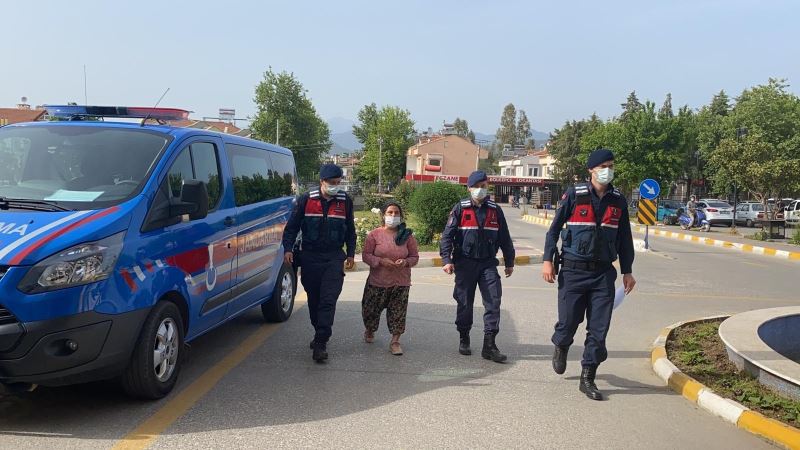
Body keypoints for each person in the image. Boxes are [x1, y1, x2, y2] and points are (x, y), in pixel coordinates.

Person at [542, 148, 636, 400]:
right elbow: (553, 232)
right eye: (604, 165)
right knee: (569, 322)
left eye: (612, 165)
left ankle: (588, 376)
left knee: (599, 329)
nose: (609, 170)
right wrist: (547, 261)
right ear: (591, 170)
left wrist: (627, 270)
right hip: (573, 271)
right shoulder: (574, 195)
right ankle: (561, 344)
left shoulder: (617, 200)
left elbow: (625, 239)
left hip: (603, 274)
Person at [282, 163, 356, 363]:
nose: (336, 186)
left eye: (338, 183)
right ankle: (319, 332)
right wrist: (288, 249)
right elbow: (291, 228)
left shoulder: (344, 201)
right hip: (310, 257)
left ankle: (321, 342)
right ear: (322, 182)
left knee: (328, 300)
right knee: (314, 300)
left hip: (333, 257)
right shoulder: (306, 200)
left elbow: (350, 229)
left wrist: (350, 253)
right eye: (332, 183)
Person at [440, 170, 515, 363]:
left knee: (493, 300)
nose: (481, 190)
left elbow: (505, 238)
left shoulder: (495, 210)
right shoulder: (460, 209)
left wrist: (509, 261)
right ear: (469, 188)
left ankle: (489, 345)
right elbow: (447, 237)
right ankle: (464, 337)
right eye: (477, 187)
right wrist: (446, 260)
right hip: (465, 263)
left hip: (488, 263)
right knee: (464, 302)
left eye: (484, 186)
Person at [361, 201, 419, 355]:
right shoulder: (374, 235)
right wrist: (380, 261)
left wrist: (405, 262)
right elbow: (366, 255)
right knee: (370, 313)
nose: (393, 216)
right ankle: (370, 330)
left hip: (401, 282)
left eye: (396, 213)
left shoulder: (407, 236)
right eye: (390, 212)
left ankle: (395, 342)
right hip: (377, 282)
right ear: (384, 215)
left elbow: (414, 256)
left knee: (398, 313)